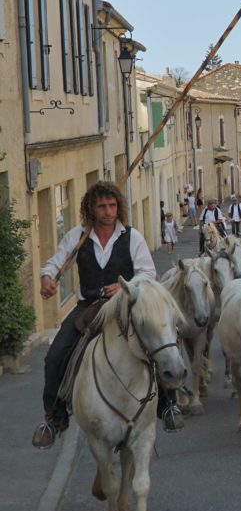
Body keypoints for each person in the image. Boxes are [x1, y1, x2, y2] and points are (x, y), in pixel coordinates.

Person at [31, 181, 182, 449]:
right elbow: (54, 264)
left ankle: (169, 406)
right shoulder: (77, 237)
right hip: (89, 307)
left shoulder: (131, 237)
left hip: (126, 305)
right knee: (54, 357)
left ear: (118, 207)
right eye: (102, 206)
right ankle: (54, 419)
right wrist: (47, 279)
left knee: (160, 341)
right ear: (91, 208)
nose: (108, 211)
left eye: (112, 206)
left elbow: (148, 273)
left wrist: (127, 286)